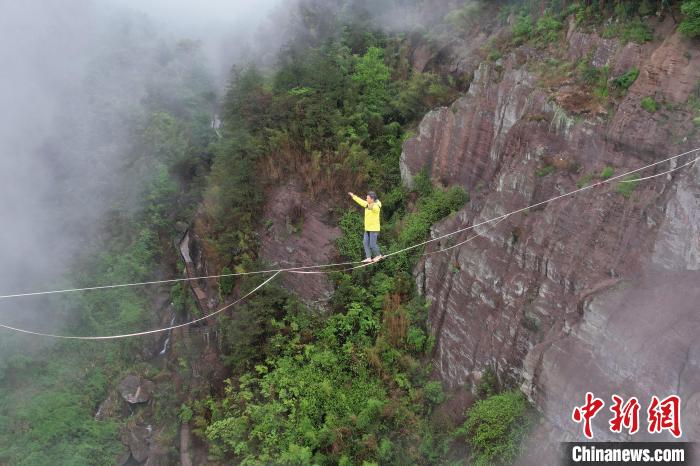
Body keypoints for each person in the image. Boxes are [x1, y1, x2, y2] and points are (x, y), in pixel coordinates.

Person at [348, 190, 383, 263]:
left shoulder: (377, 206)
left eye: (367, 198)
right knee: (365, 243)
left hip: (374, 229)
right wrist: (353, 196)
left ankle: (379, 255)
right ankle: (368, 257)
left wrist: (367, 205)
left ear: (372, 199)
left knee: (372, 245)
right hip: (367, 229)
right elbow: (361, 201)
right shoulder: (367, 203)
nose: (366, 199)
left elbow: (373, 207)